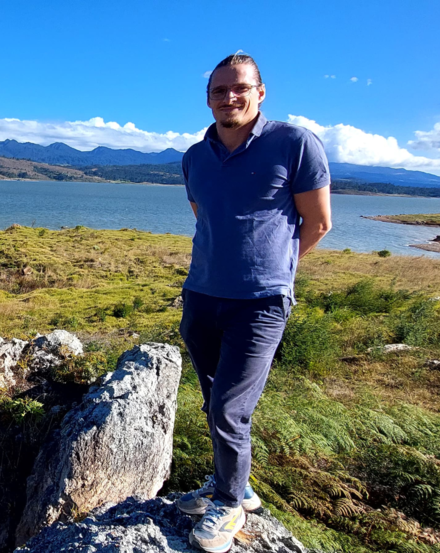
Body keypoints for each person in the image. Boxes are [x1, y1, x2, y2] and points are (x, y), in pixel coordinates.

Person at [176, 53, 332, 553]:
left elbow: (319, 223)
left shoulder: (295, 143)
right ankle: (236, 484)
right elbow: (205, 218)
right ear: (208, 98)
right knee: (213, 400)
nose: (229, 98)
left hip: (260, 303)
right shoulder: (194, 156)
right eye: (219, 90)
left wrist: (276, 272)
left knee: (229, 407)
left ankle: (226, 504)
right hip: (201, 296)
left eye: (239, 88)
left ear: (260, 93)